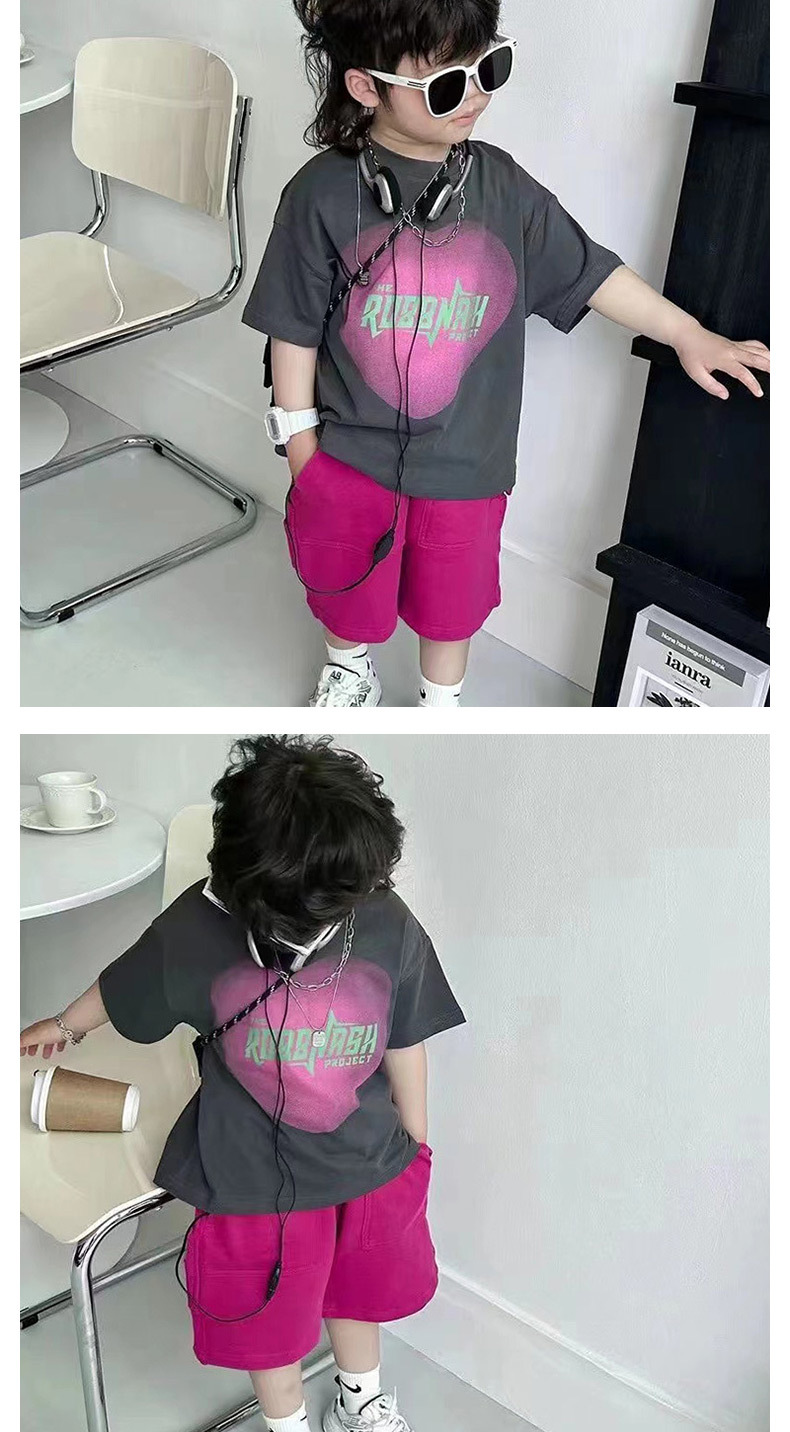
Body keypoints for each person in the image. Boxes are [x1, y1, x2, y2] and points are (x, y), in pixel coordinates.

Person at [241, 0, 769, 709]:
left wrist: (686, 332)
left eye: (488, 68)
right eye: (445, 85)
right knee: (345, 585)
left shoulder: (504, 189)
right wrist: (301, 449)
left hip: (469, 467)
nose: (475, 96)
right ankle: (349, 669)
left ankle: (441, 703)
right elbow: (293, 329)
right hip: (348, 459)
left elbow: (592, 271)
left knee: (451, 605)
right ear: (365, 87)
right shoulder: (318, 196)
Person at [20, 736, 466, 1432]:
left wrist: (416, 1141)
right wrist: (64, 1027)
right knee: (270, 1322)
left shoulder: (385, 920)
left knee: (357, 1291)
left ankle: (361, 1401)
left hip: (368, 1160)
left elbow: (406, 1034)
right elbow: (127, 981)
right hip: (252, 1177)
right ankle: (286, 1423)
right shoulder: (201, 924)